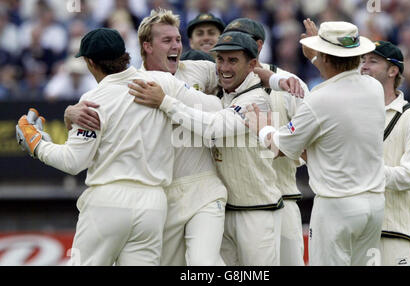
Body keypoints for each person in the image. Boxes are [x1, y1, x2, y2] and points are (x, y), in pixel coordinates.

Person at [16, 27, 221, 266]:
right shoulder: (161, 82)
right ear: (124, 54)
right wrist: (167, 102)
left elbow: (73, 162)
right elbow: (214, 109)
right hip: (153, 206)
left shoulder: (93, 100)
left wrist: (37, 144)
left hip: (108, 201)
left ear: (90, 62)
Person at [65, 8, 227, 266]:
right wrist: (70, 112)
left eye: (177, 40)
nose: (176, 46)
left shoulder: (198, 69)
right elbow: (99, 120)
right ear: (147, 46)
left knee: (203, 265)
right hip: (161, 198)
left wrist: (273, 78)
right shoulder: (134, 84)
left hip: (203, 188)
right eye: (167, 40)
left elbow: (242, 71)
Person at [129, 31, 300, 266]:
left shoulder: (257, 98)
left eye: (232, 60)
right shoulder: (221, 88)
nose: (224, 68)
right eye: (220, 59)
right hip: (226, 208)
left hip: (258, 209)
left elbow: (213, 127)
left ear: (251, 64)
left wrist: (164, 102)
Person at [245, 20, 386, 266]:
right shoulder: (374, 87)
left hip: (337, 208)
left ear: (327, 57)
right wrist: (318, 55)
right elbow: (341, 77)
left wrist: (261, 127)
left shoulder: (319, 99)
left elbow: (280, 147)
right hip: (374, 205)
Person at [224, 17, 308, 266]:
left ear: (259, 45)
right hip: (232, 205)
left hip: (283, 197)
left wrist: (281, 148)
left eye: (242, 38)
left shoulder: (291, 83)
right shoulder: (221, 83)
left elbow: (311, 146)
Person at [361, 41, 410, 266]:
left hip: (393, 231)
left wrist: (366, 171)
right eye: (362, 61)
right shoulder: (354, 111)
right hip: (354, 230)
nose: (364, 66)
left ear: (393, 71)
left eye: (373, 61)